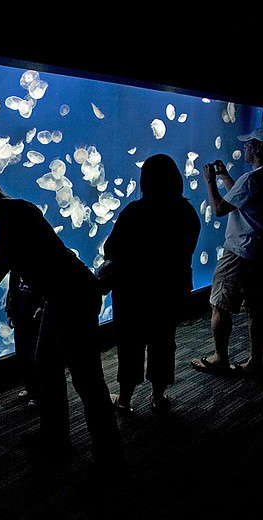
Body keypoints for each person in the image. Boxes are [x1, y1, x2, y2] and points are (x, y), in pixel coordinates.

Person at [0, 177, 127, 477]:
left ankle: (109, 459)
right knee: (47, 365)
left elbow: (0, 267)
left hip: (71, 296)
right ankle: (55, 436)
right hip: (62, 295)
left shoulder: (11, 217)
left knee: (87, 378)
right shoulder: (16, 211)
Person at [103, 154, 200, 412]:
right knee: (163, 340)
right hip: (171, 290)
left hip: (133, 292)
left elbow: (110, 248)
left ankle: (124, 399)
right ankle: (158, 396)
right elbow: (187, 249)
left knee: (130, 344)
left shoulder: (135, 212)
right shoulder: (188, 212)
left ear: (145, 181)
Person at [190, 126, 263, 377]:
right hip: (262, 254)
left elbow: (221, 208)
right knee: (256, 308)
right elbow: (241, 199)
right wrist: (224, 177)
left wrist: (210, 182)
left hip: (239, 254)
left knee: (219, 305)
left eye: (249, 143)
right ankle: (256, 362)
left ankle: (220, 358)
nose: (245, 147)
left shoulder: (253, 179)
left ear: (260, 148)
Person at [5, 270, 44, 407]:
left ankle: (39, 394)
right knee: (22, 355)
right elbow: (11, 290)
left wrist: (43, 307)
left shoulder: (40, 266)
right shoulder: (15, 270)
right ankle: (30, 387)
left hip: (36, 318)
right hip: (20, 316)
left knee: (36, 356)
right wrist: (10, 311)